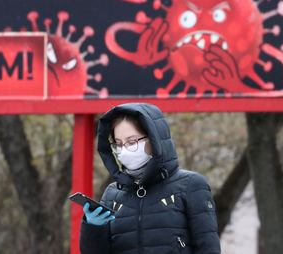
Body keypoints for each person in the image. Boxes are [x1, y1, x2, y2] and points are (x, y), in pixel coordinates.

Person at [79, 102, 221, 254]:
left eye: (132, 141)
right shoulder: (113, 194)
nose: (124, 150)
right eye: (118, 144)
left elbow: (208, 248)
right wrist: (93, 228)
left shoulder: (190, 185)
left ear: (154, 139)